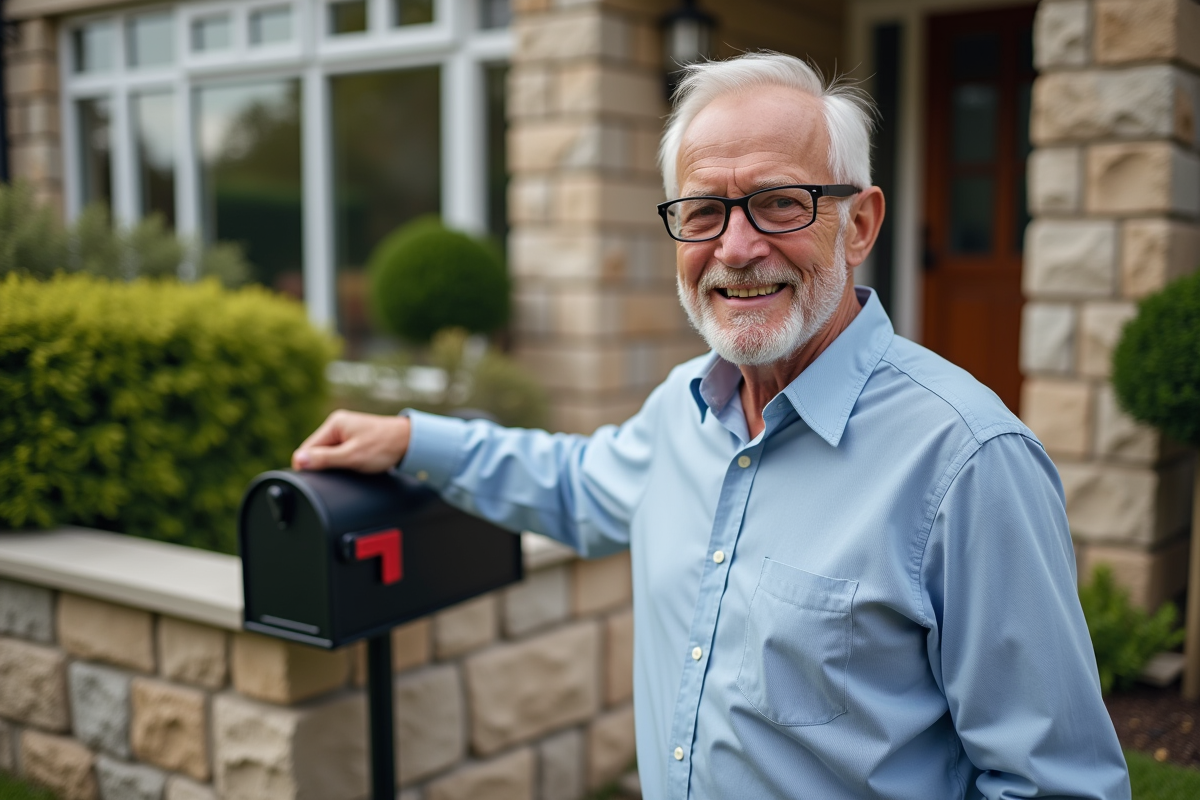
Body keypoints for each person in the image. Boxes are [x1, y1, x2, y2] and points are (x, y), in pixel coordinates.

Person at [293, 52, 1130, 799]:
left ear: (861, 224)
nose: (735, 248)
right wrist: (410, 440)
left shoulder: (970, 462)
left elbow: (1055, 783)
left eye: (777, 203)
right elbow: (576, 484)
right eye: (703, 212)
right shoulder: (682, 408)